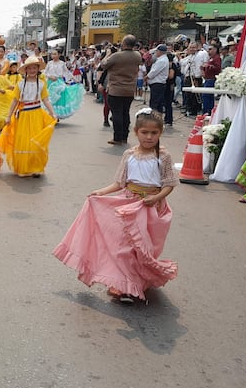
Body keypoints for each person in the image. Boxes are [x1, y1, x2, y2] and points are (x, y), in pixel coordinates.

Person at [53, 108, 178, 303]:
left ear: (160, 133)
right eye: (145, 132)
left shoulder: (163, 156)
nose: (149, 137)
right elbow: (120, 182)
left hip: (151, 208)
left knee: (143, 249)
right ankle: (124, 287)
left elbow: (170, 184)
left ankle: (138, 280)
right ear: (136, 132)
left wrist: (156, 198)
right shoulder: (129, 154)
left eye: (154, 133)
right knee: (124, 247)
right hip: (128, 205)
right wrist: (101, 192)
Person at [0, 56, 57, 177]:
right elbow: (15, 101)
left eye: (34, 68)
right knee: (23, 140)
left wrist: (52, 113)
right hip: (24, 115)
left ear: (38, 69)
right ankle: (24, 167)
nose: (32, 70)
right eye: (29, 68)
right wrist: (8, 116)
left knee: (35, 141)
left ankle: (36, 167)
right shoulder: (20, 84)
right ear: (25, 70)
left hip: (37, 114)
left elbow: (45, 99)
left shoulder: (41, 84)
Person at [101, 35, 141, 145]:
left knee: (117, 113)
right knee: (125, 112)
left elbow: (103, 65)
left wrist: (108, 54)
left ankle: (117, 137)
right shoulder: (137, 55)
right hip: (129, 89)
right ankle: (124, 136)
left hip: (116, 88)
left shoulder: (117, 56)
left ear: (124, 44)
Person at [145, 44, 168, 118]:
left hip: (158, 84)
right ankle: (158, 119)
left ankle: (154, 119)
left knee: (154, 103)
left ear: (160, 51)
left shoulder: (162, 60)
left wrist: (146, 77)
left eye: (157, 51)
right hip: (157, 84)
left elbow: (154, 72)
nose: (155, 53)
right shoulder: (160, 59)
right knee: (158, 103)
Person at [200, 44, 221, 114]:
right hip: (207, 79)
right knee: (208, 96)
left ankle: (207, 111)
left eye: (210, 49)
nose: (208, 51)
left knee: (206, 96)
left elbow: (218, 68)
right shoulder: (211, 58)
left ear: (215, 50)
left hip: (211, 79)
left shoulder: (217, 58)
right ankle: (208, 111)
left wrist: (208, 66)